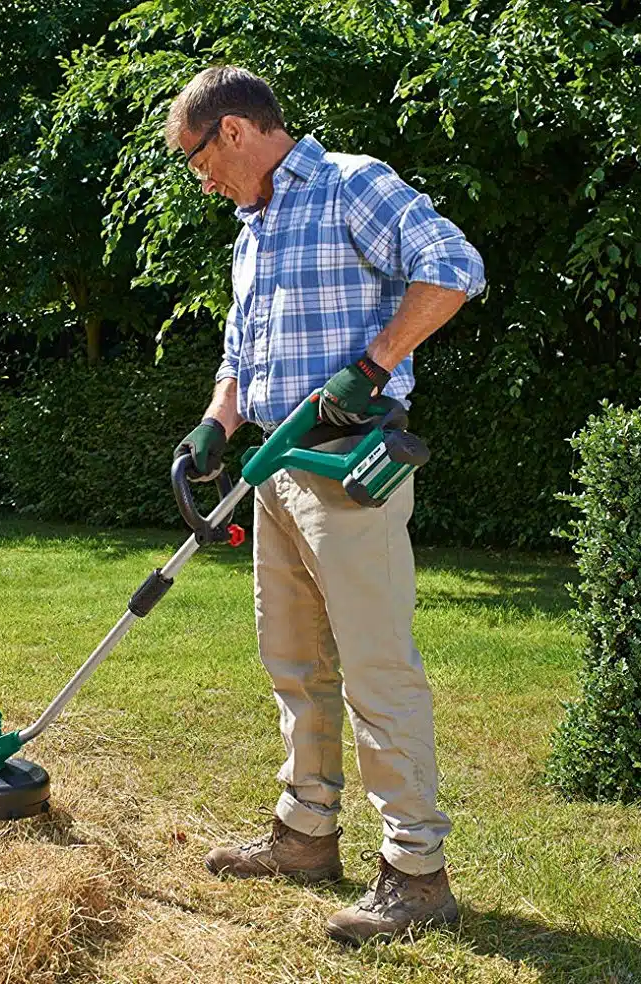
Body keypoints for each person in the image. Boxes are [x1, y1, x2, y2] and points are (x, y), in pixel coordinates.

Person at [166, 65, 485, 945]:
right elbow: (243, 354)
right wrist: (212, 429)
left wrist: (374, 365)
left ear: (231, 131)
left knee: (377, 669)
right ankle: (306, 833)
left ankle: (417, 873)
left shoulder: (351, 183)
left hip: (346, 461)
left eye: (197, 158)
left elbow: (455, 267)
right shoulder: (252, 228)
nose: (201, 179)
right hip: (274, 461)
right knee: (295, 661)